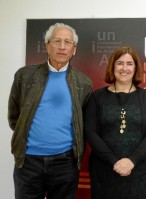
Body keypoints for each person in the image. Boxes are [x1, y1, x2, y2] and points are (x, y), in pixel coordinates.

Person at [8, 23, 93, 199]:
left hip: (65, 163)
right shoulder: (25, 76)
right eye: (57, 41)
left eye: (67, 42)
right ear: (47, 45)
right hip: (28, 162)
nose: (62, 47)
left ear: (74, 49)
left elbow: (83, 123)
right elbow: (15, 117)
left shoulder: (84, 83)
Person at [84, 46, 146, 199]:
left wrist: (132, 161)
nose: (124, 68)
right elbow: (91, 132)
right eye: (120, 63)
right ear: (112, 66)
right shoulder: (97, 97)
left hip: (139, 170)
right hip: (105, 169)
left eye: (129, 64)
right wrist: (114, 162)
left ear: (135, 68)